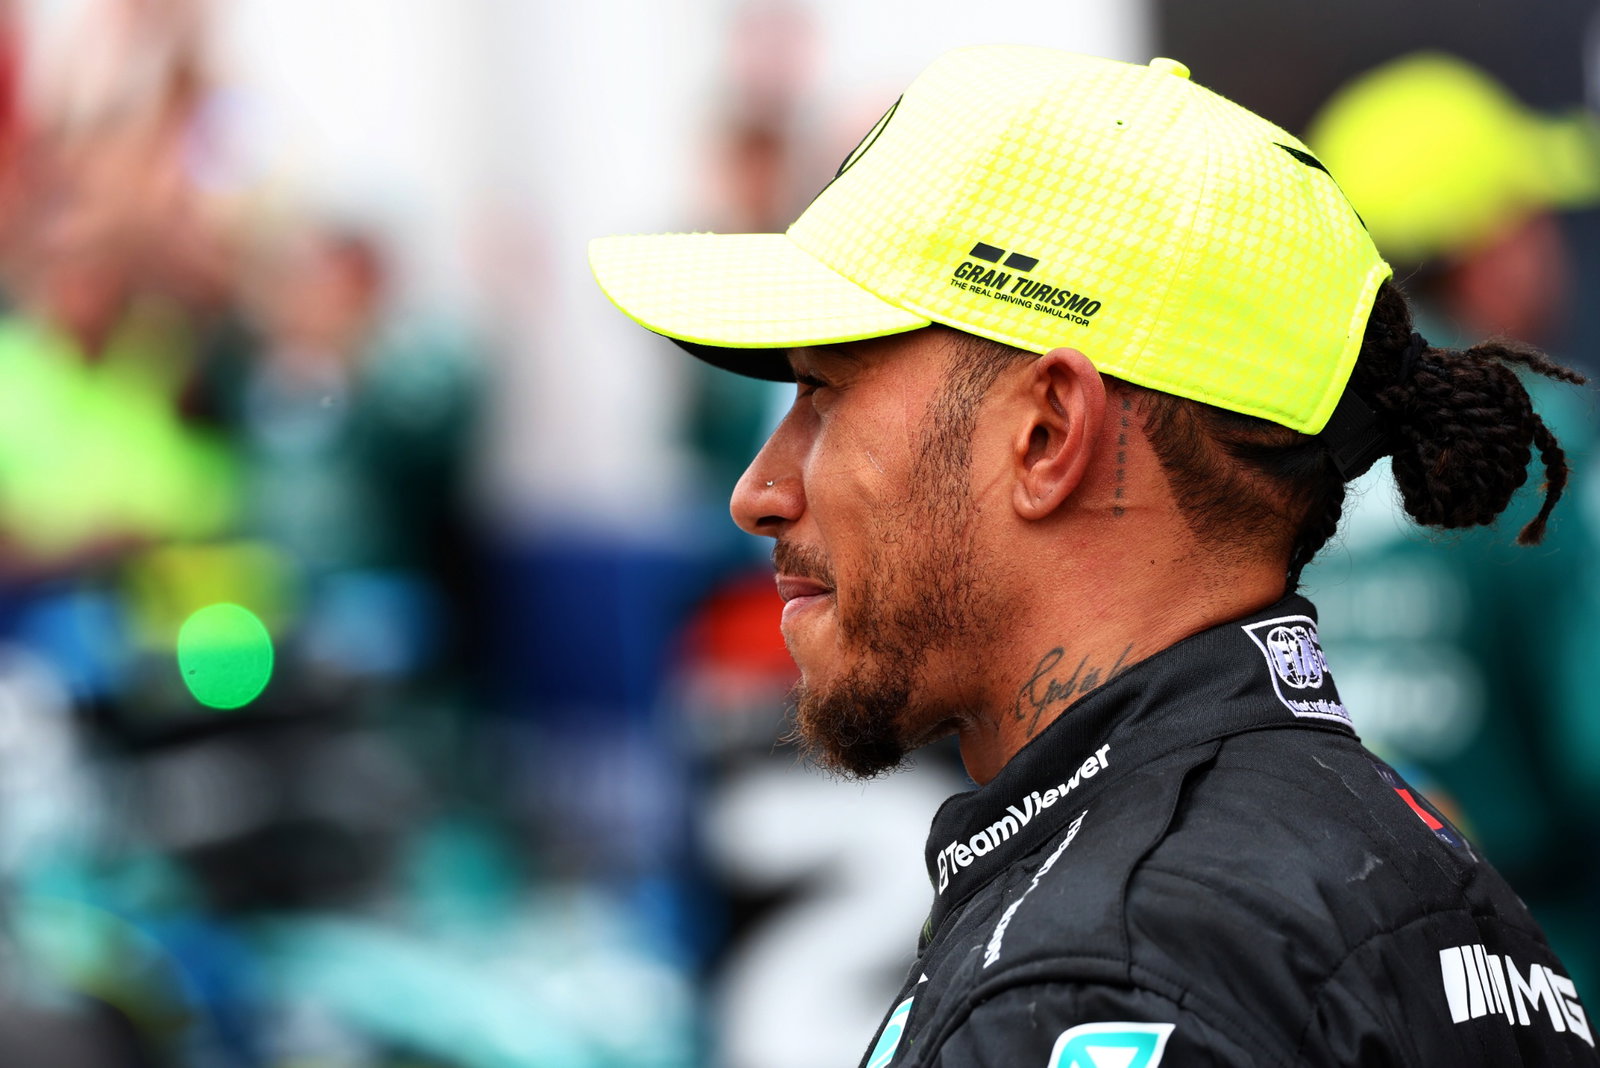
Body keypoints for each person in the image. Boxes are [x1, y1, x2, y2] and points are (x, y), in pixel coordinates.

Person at [589, 46, 1598, 1067]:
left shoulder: (1083, 987)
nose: (757, 491)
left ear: (1046, 434)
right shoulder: (1429, 870)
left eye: (824, 396)